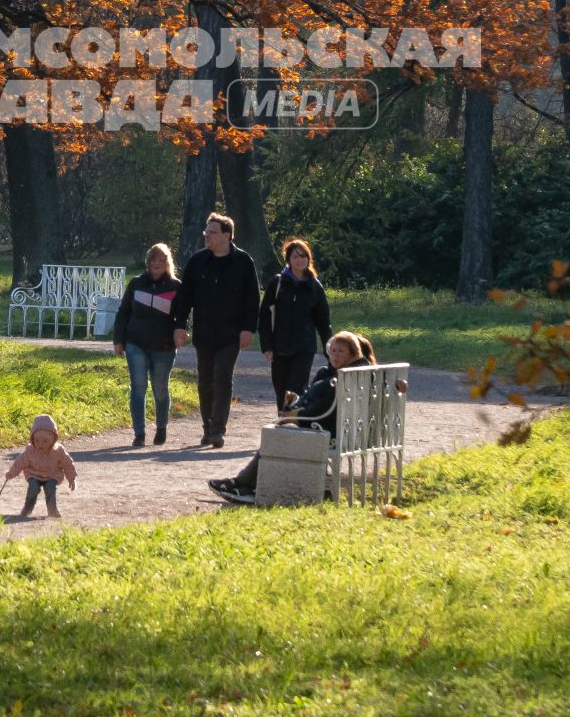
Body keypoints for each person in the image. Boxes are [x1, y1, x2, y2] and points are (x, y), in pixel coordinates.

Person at [206, 330, 405, 505]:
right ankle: (245, 484)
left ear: (354, 354)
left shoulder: (342, 379)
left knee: (279, 433)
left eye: (341, 351)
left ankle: (243, 484)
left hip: (334, 434)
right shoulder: (365, 375)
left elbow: (323, 413)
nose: (335, 355)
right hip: (354, 434)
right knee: (282, 430)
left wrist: (294, 417)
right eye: (333, 350)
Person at [172, 212, 261, 448]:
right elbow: (185, 297)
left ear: (227, 235)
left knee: (222, 377)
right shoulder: (197, 261)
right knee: (205, 380)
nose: (207, 236)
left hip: (231, 334)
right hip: (204, 332)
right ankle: (207, 426)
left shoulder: (243, 262)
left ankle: (218, 429)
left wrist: (248, 329)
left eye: (212, 232)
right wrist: (180, 325)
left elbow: (252, 299)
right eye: (206, 232)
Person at [112, 241, 182, 446]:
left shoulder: (175, 287)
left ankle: (161, 427)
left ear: (167, 263)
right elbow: (123, 313)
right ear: (148, 261)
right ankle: (139, 434)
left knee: (160, 389)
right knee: (138, 387)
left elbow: (182, 316)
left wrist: (180, 332)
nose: (157, 263)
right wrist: (118, 340)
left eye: (161, 260)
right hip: (136, 344)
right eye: (153, 259)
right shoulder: (136, 283)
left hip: (164, 347)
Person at [259, 237, 333, 414]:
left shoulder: (315, 287)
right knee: (281, 389)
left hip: (304, 347)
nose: (299, 260)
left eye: (303, 256)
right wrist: (267, 345)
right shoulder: (277, 284)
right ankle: (283, 421)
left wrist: (329, 349)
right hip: (279, 347)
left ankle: (295, 423)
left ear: (308, 259)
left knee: (297, 388)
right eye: (295, 256)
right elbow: (264, 317)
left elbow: (323, 322)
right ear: (288, 260)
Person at [3, 414, 77, 518]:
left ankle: (52, 510)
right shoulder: (30, 451)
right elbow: (19, 462)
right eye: (37, 440)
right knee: (33, 487)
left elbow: (67, 464)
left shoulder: (58, 451)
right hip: (34, 474)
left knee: (50, 487)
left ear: (53, 439)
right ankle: (27, 508)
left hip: (52, 475)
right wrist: (11, 473)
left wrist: (72, 478)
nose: (40, 444)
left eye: (45, 441)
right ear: (32, 439)